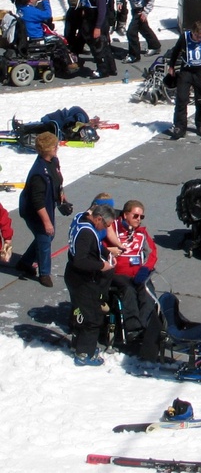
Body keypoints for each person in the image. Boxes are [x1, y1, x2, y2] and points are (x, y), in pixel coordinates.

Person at [65, 204, 117, 365]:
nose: (105, 229)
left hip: (73, 275)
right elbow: (80, 261)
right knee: (93, 317)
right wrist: (102, 266)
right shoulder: (86, 233)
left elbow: (95, 244)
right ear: (98, 219)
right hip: (82, 280)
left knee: (81, 312)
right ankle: (84, 353)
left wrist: (107, 253)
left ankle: (78, 345)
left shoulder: (80, 217)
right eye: (106, 225)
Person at [16, 132, 70, 287]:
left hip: (47, 205)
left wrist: (62, 197)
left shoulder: (53, 161)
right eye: (54, 146)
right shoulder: (38, 173)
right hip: (34, 211)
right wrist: (46, 222)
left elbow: (57, 181)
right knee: (45, 237)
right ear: (47, 149)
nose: (57, 148)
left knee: (46, 237)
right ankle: (44, 273)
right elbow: (37, 202)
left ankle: (25, 262)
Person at [108, 200, 158, 341]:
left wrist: (145, 268)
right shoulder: (113, 229)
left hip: (137, 274)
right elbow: (102, 247)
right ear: (125, 215)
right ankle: (133, 329)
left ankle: (145, 327)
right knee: (129, 291)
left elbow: (152, 253)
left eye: (141, 217)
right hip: (118, 274)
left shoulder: (141, 233)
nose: (138, 219)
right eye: (135, 216)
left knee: (148, 293)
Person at [167, 20, 201, 139]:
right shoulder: (184, 37)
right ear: (192, 32)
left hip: (200, 71)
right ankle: (179, 126)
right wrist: (171, 66)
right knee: (182, 99)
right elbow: (175, 51)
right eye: (197, 36)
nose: (199, 39)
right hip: (186, 71)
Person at [77, 0, 117, 79]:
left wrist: (98, 27)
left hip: (97, 23)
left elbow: (102, 9)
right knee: (103, 47)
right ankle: (110, 68)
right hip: (90, 21)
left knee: (98, 48)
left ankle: (103, 70)